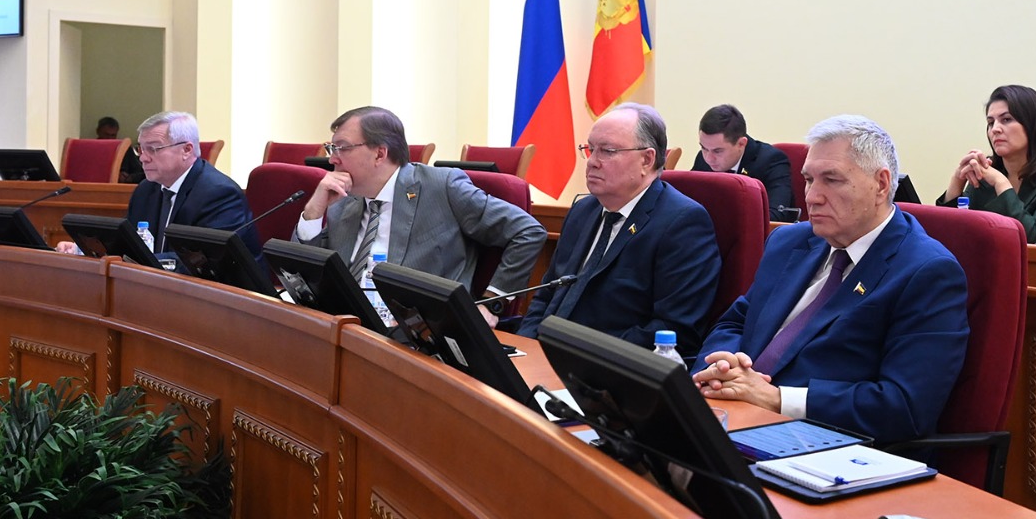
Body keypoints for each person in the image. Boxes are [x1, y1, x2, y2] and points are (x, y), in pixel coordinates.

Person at [692, 115, 968, 445]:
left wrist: (778, 399)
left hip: (826, 444)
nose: (812, 196)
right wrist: (721, 368)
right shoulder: (789, 242)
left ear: (881, 184)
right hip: (733, 416)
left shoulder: (926, 272)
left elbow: (904, 406)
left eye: (831, 180)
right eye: (809, 180)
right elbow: (737, 322)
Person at [295, 106, 546, 322]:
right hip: (344, 325)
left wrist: (492, 302)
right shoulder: (343, 200)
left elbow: (528, 231)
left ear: (379, 154)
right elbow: (306, 274)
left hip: (416, 332)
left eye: (341, 148)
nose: (333, 160)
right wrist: (313, 211)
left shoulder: (441, 187)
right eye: (331, 148)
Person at [519, 103, 721, 357]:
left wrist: (582, 354)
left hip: (609, 367)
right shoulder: (583, 211)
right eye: (591, 149)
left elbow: (675, 328)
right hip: (546, 357)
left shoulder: (683, 223)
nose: (592, 162)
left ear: (647, 160)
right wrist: (524, 350)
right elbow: (546, 296)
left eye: (608, 151)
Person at [59, 111, 261, 267]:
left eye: (153, 149)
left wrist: (142, 261)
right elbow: (129, 244)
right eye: (141, 148)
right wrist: (82, 249)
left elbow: (205, 260)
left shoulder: (219, 194)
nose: (143, 158)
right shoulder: (146, 190)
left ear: (186, 150)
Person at [938, 84, 1036, 246]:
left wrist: (1001, 183)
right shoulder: (986, 173)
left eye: (1006, 120)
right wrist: (957, 180)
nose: (995, 129)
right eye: (991, 122)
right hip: (992, 261)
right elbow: (950, 235)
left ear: (1032, 124)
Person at [690, 104, 795, 220]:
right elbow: (687, 202)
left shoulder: (771, 161)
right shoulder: (703, 159)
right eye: (704, 148)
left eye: (718, 151)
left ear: (741, 144)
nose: (709, 158)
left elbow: (775, 215)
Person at [96, 114, 144, 184]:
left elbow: (139, 172)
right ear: (98, 132)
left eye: (113, 135)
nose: (109, 138)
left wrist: (129, 177)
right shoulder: (92, 149)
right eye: (106, 134)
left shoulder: (125, 149)